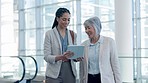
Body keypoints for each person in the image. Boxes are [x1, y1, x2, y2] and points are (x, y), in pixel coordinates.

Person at [80, 16, 122, 83]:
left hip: (104, 79)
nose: (86, 31)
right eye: (85, 28)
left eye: (88, 28)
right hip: (89, 79)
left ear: (96, 28)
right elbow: (82, 68)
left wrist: (118, 81)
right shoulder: (83, 45)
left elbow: (115, 65)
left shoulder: (109, 42)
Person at [44, 7, 77, 83]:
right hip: (53, 73)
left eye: (68, 19)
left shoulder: (73, 34)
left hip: (69, 71)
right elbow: (46, 57)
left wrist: (77, 58)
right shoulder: (49, 34)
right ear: (57, 19)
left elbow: (74, 54)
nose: (67, 22)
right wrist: (61, 57)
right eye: (64, 19)